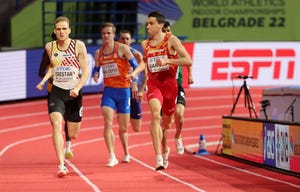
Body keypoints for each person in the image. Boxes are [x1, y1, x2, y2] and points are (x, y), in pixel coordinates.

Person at [36, 16, 90, 177]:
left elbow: (85, 71)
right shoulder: (49, 47)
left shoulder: (78, 46)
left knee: (73, 133)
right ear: (54, 31)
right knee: (56, 124)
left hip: (74, 92)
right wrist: (44, 81)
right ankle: (61, 164)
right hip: (57, 92)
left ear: (69, 30)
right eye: (58, 29)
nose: (61, 31)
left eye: (64, 28)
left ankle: (69, 142)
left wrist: (78, 88)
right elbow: (52, 68)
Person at [140, 11, 192, 170]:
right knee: (155, 114)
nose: (147, 26)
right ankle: (158, 158)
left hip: (171, 86)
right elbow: (146, 64)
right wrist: (137, 75)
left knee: (167, 123)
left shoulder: (172, 40)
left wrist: (168, 60)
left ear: (161, 25)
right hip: (155, 85)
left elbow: (188, 60)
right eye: (147, 23)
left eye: (151, 23)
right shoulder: (145, 44)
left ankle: (172, 141)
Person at [92, 22, 144, 167]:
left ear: (113, 35)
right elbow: (96, 69)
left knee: (123, 128)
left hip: (124, 92)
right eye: (104, 33)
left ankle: (126, 152)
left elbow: (137, 65)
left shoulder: (123, 49)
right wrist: (95, 75)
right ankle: (112, 155)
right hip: (109, 91)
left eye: (109, 33)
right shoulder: (98, 53)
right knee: (107, 121)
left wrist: (134, 76)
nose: (106, 36)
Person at [38, 32, 74, 159]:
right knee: (57, 122)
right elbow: (40, 72)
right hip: (53, 91)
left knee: (69, 119)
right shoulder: (48, 53)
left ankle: (68, 146)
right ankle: (62, 149)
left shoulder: (71, 51)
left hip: (69, 90)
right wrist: (50, 80)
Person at [162, 21, 194, 155]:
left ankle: (178, 136)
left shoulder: (174, 43)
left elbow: (187, 58)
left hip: (176, 85)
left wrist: (190, 75)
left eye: (168, 29)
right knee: (164, 123)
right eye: (164, 30)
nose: (167, 32)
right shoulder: (156, 47)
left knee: (179, 114)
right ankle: (163, 150)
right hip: (162, 87)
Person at [117, 29, 147, 163]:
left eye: (127, 39)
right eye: (122, 39)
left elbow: (146, 75)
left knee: (136, 128)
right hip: (121, 91)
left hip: (134, 92)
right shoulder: (115, 54)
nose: (125, 41)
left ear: (131, 40)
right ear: (118, 40)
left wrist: (141, 90)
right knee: (123, 125)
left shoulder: (137, 55)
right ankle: (126, 153)